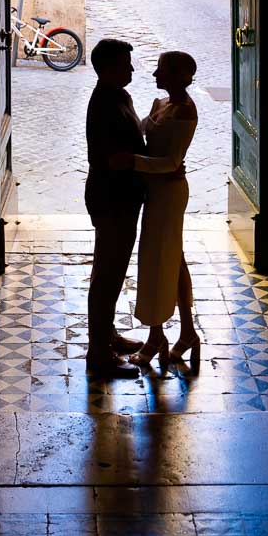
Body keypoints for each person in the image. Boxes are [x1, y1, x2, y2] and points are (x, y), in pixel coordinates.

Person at [109, 51, 200, 371]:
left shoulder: (187, 111)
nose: (154, 75)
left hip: (170, 193)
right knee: (171, 259)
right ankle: (186, 332)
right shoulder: (159, 105)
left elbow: (172, 162)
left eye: (161, 70)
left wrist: (132, 162)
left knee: (159, 259)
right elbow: (141, 132)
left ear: (178, 76)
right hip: (154, 191)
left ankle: (156, 335)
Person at [84, 38, 147, 378]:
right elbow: (115, 159)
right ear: (108, 68)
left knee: (111, 271)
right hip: (112, 198)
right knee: (107, 275)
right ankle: (98, 353)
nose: (132, 69)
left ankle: (107, 335)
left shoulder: (118, 95)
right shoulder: (105, 103)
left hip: (122, 197)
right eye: (126, 64)